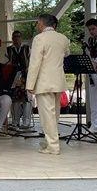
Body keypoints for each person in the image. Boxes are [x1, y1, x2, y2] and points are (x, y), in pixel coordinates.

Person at [26, 13, 70, 155]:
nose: (37, 26)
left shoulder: (39, 39)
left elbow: (35, 63)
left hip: (44, 82)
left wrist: (30, 84)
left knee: (47, 116)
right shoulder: (63, 38)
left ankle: (53, 146)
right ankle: (49, 141)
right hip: (58, 80)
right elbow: (67, 53)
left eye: (38, 23)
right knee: (54, 114)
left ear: (41, 24)